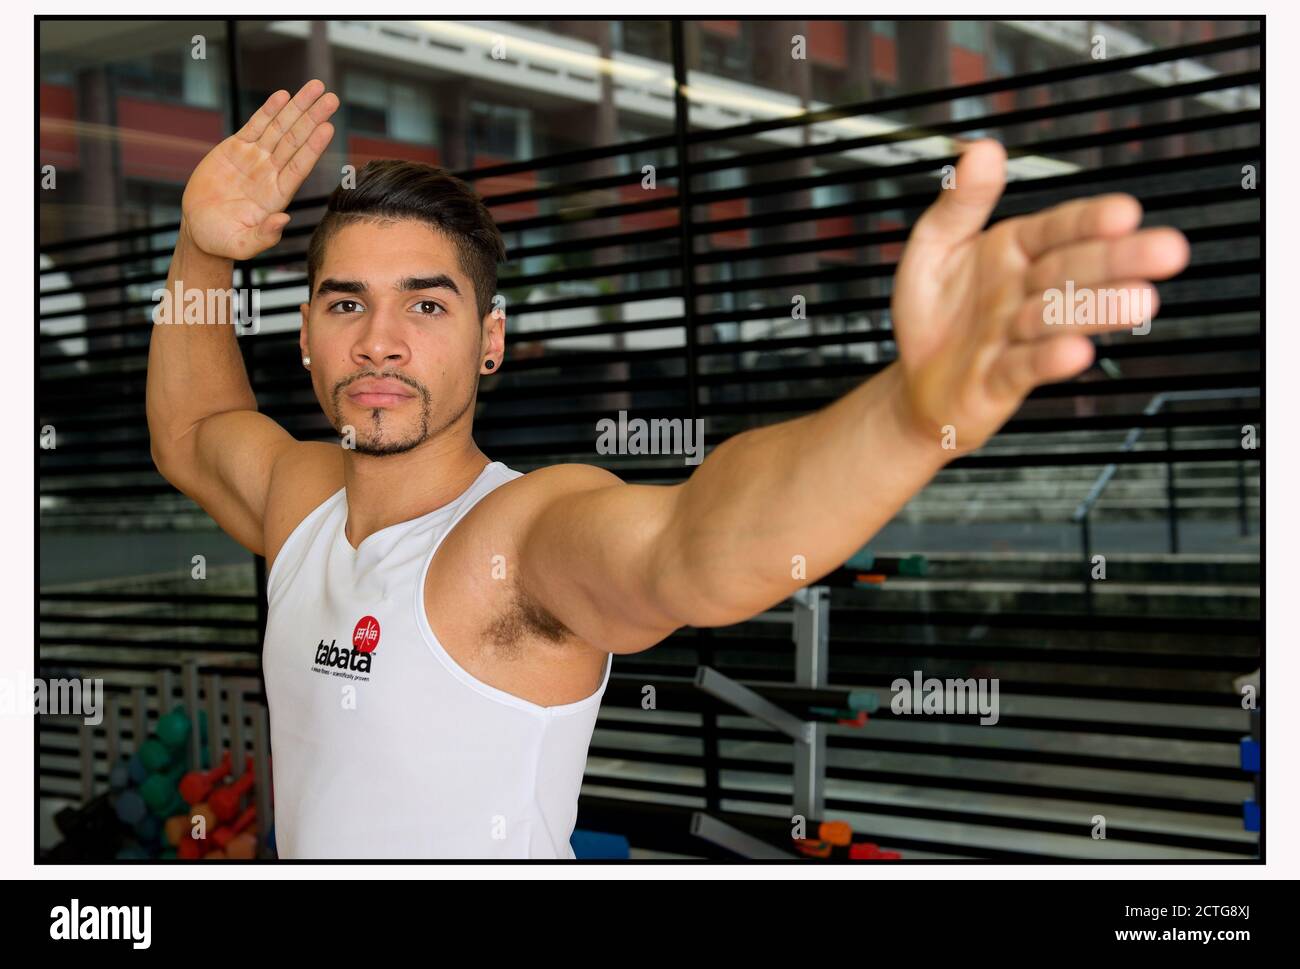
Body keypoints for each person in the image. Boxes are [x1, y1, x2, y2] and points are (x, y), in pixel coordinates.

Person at [146, 80, 1190, 858]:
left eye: (426, 305)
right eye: (345, 303)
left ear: (490, 341)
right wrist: (200, 250)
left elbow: (693, 552)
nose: (379, 341)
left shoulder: (520, 539)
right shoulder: (303, 502)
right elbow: (193, 432)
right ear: (305, 334)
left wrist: (911, 416)